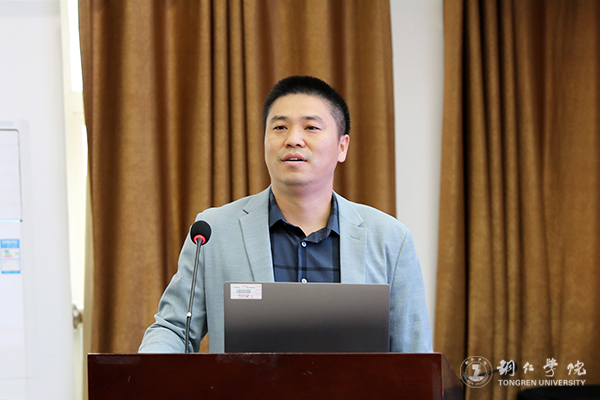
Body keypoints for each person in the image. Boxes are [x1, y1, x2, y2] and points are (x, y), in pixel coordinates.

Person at [139, 76, 432, 353]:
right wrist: (150, 365)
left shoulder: (390, 239)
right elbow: (173, 329)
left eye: (311, 127)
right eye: (279, 127)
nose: (293, 139)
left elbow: (414, 353)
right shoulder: (213, 231)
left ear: (342, 146)